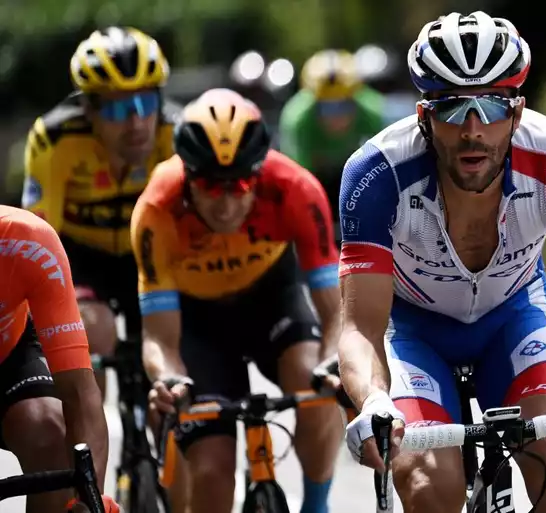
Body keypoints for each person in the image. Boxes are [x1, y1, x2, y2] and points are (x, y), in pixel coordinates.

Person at [337, 10, 546, 513]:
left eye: (491, 108)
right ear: (424, 116)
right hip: (413, 331)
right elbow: (360, 328)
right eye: (451, 110)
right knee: (429, 483)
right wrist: (375, 402)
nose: (473, 130)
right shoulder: (376, 173)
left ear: (517, 112)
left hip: (513, 317)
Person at [131, 88, 344, 513]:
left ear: (260, 172)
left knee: (316, 384)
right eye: (210, 185)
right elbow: (160, 339)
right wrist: (169, 380)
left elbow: (337, 309)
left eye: (242, 183)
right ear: (188, 175)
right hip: (198, 321)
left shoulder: (296, 189)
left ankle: (316, 507)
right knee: (211, 469)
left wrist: (336, 360)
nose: (227, 203)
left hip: (272, 299)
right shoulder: (157, 208)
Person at [21, 26, 179, 398]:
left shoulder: (176, 131)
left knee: (170, 335)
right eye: (119, 108)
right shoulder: (54, 140)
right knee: (97, 327)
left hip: (148, 251)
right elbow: (41, 238)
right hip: (80, 255)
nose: (136, 123)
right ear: (89, 108)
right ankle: (95, 429)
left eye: (145, 104)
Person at [0, 206, 117, 512]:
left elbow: (79, 392)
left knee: (48, 427)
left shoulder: (26, 241)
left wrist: (91, 500)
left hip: (9, 354)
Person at [278, 49, 387, 234]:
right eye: (326, 108)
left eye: (343, 105)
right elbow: (298, 183)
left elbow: (387, 171)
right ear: (313, 102)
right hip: (316, 177)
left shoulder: (373, 113)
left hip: (357, 176)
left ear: (355, 98)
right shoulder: (297, 121)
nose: (336, 117)